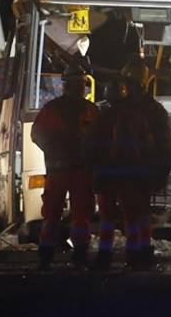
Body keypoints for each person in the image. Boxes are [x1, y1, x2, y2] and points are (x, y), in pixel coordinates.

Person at [86, 58, 171, 271]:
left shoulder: (104, 115)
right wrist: (159, 172)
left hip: (111, 175)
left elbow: (90, 146)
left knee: (113, 218)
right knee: (137, 216)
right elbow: (157, 146)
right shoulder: (147, 113)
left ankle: (107, 256)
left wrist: (93, 170)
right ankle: (137, 255)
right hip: (135, 175)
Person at [31, 61, 100, 270]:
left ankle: (62, 255)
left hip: (72, 169)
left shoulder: (80, 109)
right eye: (76, 84)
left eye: (81, 84)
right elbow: (38, 135)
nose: (79, 87)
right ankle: (56, 255)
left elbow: (38, 134)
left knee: (76, 213)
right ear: (68, 85)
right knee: (59, 213)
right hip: (66, 169)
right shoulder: (82, 110)